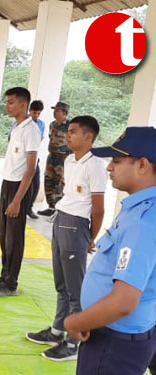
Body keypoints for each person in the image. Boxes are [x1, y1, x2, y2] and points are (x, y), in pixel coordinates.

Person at [62, 126, 156, 374]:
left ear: (143, 165)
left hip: (114, 343)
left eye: (117, 160)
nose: (109, 167)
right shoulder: (138, 209)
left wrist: (76, 322)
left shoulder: (144, 222)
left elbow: (123, 302)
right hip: (111, 331)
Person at [25, 116, 106, 361]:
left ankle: (73, 343)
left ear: (88, 136)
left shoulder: (95, 166)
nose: (66, 136)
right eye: (68, 131)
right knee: (61, 284)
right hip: (61, 219)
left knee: (75, 289)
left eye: (72, 132)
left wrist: (90, 238)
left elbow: (98, 208)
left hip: (76, 226)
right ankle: (57, 330)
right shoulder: (70, 160)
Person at [0, 87, 40, 297]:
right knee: (4, 236)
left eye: (11, 102)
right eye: (7, 102)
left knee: (14, 239)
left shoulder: (31, 130)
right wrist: (3, 196)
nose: (7, 106)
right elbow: (11, 164)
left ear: (23, 104)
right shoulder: (16, 128)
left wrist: (17, 200)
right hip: (8, 184)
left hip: (20, 187)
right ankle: (3, 277)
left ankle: (11, 284)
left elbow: (30, 168)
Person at [38, 102, 72, 217]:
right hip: (51, 157)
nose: (54, 112)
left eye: (57, 111)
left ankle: (58, 210)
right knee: (48, 181)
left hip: (63, 159)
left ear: (64, 113)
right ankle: (51, 207)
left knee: (59, 183)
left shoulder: (70, 127)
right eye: (54, 110)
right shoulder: (52, 124)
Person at [23, 100, 45, 219]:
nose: (35, 115)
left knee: (35, 184)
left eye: (38, 113)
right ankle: (22, 206)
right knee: (25, 184)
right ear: (29, 111)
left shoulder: (41, 124)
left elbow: (39, 140)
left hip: (34, 156)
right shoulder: (24, 124)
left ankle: (29, 208)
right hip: (23, 158)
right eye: (34, 112)